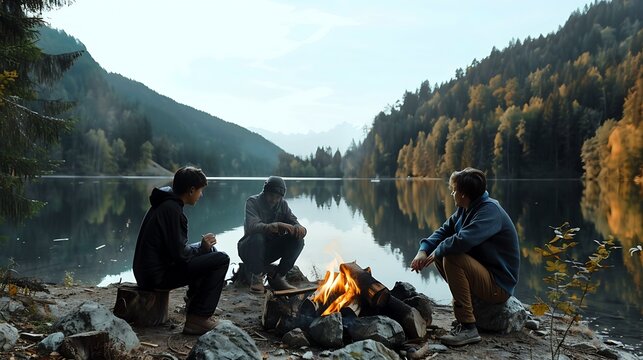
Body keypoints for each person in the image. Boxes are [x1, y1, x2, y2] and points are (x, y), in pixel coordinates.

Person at [410, 167, 520, 346]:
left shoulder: (490, 212)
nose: (452, 193)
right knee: (443, 252)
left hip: (499, 285)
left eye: (454, 190)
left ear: (463, 194)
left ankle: (468, 327)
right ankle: (468, 312)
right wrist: (423, 250)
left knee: (451, 256)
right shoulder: (466, 208)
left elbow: (463, 240)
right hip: (485, 275)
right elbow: (444, 231)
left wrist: (438, 250)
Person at [133, 166, 230, 335]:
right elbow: (180, 255)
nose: (201, 195)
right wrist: (201, 247)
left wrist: (203, 248)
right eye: (200, 191)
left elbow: (176, 250)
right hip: (155, 277)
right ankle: (198, 318)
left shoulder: (166, 202)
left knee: (210, 251)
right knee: (221, 259)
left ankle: (194, 305)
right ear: (191, 190)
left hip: (148, 271)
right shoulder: (172, 210)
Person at [238, 176, 306, 293]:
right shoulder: (252, 202)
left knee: (298, 241)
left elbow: (295, 222)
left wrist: (301, 229)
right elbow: (252, 226)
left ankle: (278, 277)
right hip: (249, 249)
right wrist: (276, 226)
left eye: (277, 197)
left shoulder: (283, 205)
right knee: (258, 236)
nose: (274, 200)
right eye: (271, 196)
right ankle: (257, 278)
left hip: (269, 250)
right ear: (265, 192)